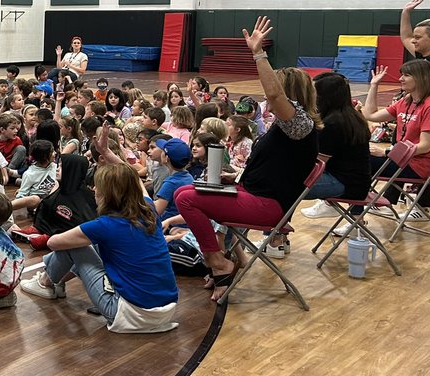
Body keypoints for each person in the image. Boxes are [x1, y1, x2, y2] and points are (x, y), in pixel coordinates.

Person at [174, 17, 320, 300]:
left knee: (186, 199)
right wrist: (238, 176)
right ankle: (224, 258)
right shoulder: (286, 125)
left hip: (268, 206)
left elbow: (274, 94)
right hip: (254, 192)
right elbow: (277, 169)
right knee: (184, 191)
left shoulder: (300, 124)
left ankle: (218, 263)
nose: (269, 91)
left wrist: (258, 53)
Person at [22, 141, 180, 334]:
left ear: (108, 194)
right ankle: (56, 282)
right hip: (166, 310)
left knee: (75, 245)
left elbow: (53, 242)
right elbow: (135, 181)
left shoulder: (106, 225)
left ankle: (46, 282)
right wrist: (107, 152)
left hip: (130, 315)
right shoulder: (149, 209)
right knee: (91, 245)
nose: (94, 190)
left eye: (97, 187)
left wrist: (78, 232)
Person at [300, 72, 372, 222]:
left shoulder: (333, 123)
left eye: (314, 92)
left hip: (346, 184)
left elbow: (317, 164)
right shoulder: (352, 116)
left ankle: (276, 239)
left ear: (325, 96)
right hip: (355, 181)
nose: (311, 96)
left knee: (284, 185)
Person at [361, 60, 430, 213]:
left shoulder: (428, 106)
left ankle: (354, 211)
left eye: (406, 75)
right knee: (358, 158)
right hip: (401, 160)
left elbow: (425, 146)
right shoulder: (405, 101)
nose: (400, 79)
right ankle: (363, 208)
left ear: (422, 77)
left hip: (418, 166)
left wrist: (388, 152)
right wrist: (374, 85)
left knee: (359, 163)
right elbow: (370, 115)